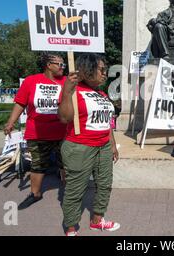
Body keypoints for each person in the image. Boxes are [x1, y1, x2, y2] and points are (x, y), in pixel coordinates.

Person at [58, 53, 119, 236]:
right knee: (76, 189)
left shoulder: (101, 94)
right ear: (87, 70)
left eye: (105, 70)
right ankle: (70, 227)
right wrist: (67, 92)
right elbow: (64, 118)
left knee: (105, 184)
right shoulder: (73, 90)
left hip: (104, 147)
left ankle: (97, 221)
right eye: (101, 70)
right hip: (80, 147)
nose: (105, 74)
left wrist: (113, 145)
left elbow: (107, 123)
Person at [4, 52, 67, 210]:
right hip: (38, 132)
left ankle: (67, 192)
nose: (62, 67)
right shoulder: (31, 81)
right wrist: (11, 122)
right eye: (59, 64)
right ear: (48, 65)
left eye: (63, 64)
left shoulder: (66, 81)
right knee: (38, 164)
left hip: (63, 131)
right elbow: (20, 103)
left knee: (65, 163)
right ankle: (35, 194)